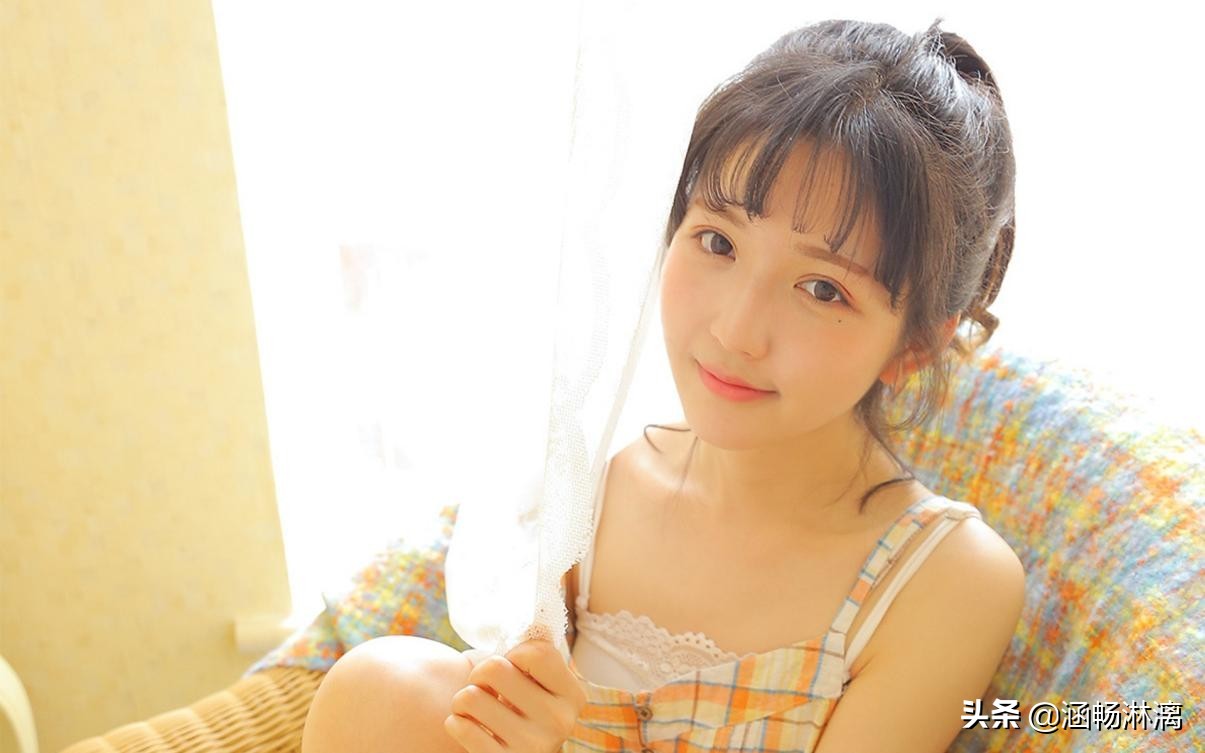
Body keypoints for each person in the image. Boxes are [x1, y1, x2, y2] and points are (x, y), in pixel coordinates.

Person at [300, 17, 1025, 753]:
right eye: (717, 241)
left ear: (915, 346)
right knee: (385, 688)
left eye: (822, 289)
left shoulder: (943, 582)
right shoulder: (591, 488)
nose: (736, 331)